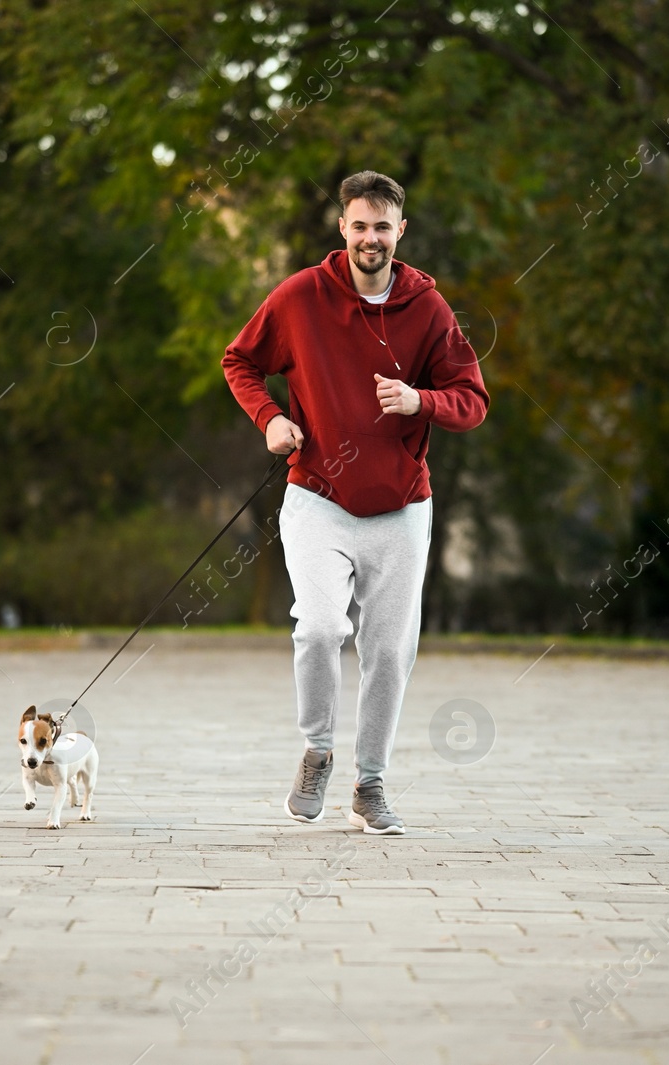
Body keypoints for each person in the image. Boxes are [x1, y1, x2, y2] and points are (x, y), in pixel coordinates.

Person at [221, 170, 489, 834]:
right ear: (343, 229)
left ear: (402, 231)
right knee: (317, 628)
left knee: (390, 650)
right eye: (359, 225)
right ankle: (317, 750)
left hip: (401, 506)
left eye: (383, 226)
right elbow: (240, 360)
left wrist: (419, 400)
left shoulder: (429, 309)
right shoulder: (300, 297)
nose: (371, 237)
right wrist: (270, 421)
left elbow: (473, 400)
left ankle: (370, 783)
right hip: (317, 495)